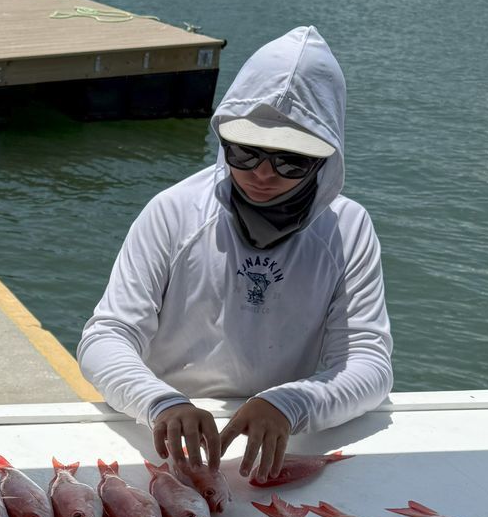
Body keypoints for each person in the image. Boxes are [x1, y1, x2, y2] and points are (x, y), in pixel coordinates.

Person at [77, 26, 391, 483]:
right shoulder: (173, 211)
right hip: (163, 433)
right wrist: (160, 401)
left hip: (281, 437)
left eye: (292, 160)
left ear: (326, 160)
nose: (262, 174)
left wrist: (292, 402)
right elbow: (106, 337)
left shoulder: (348, 228)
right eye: (245, 151)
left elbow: (369, 362)